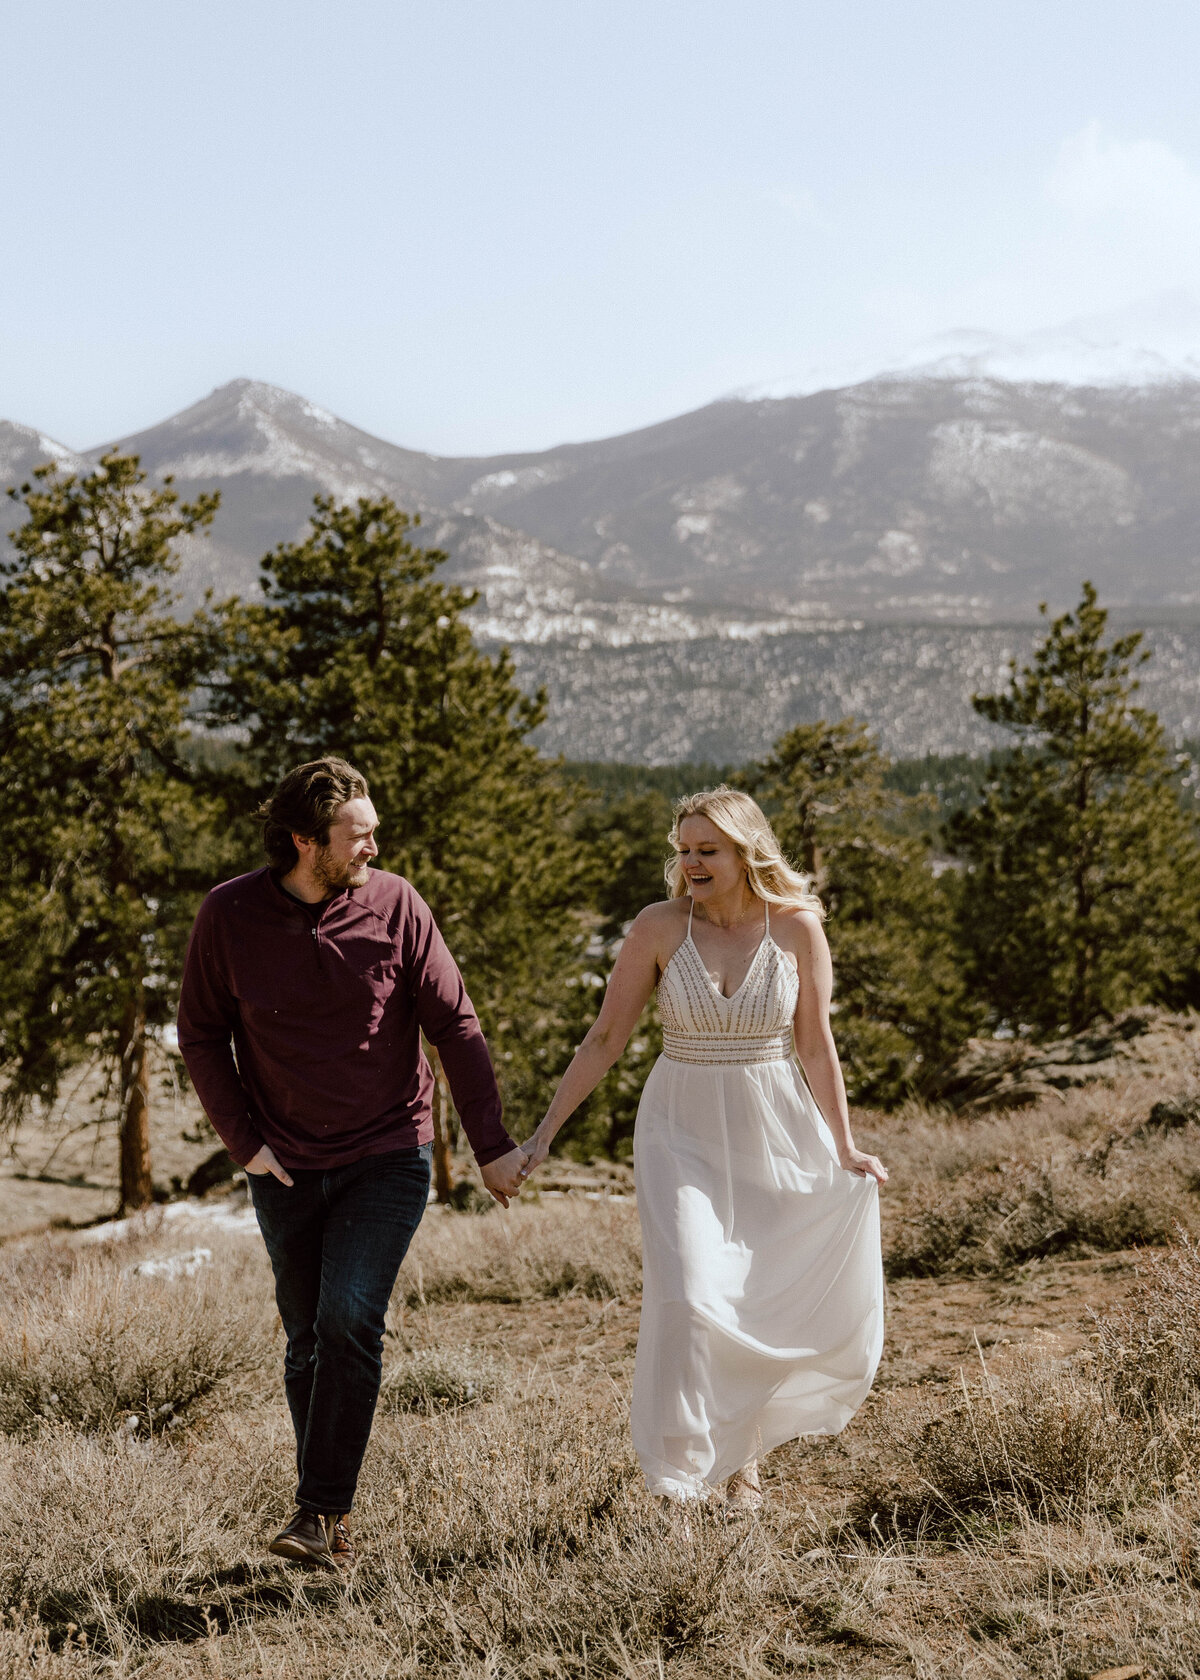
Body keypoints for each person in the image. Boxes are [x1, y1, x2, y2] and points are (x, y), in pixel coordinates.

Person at [177, 757, 527, 1571]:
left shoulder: (397, 905)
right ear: (305, 841)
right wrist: (246, 1144)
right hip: (282, 1163)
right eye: (358, 835)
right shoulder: (228, 916)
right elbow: (200, 1033)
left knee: (348, 1320)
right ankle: (327, 1528)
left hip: (386, 1150)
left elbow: (458, 1026)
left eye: (373, 832)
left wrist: (491, 1145)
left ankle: (318, 1509)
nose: (375, 846)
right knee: (304, 1339)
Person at [519, 786, 885, 1509]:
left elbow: (815, 1044)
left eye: (706, 850)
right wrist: (541, 1136)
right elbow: (605, 1039)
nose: (690, 863)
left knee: (746, 1301)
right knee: (689, 1295)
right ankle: (678, 1481)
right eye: (682, 850)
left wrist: (844, 1146)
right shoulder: (658, 927)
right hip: (678, 1128)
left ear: (746, 851)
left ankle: (740, 1462)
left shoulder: (797, 928)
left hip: (773, 1127)